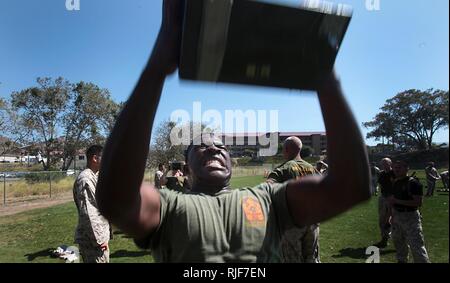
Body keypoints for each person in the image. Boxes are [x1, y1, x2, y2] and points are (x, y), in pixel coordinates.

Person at [95, 0, 370, 263]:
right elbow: (116, 200)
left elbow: (349, 188)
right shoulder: (168, 207)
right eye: (202, 145)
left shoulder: (270, 200)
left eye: (222, 147)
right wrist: (155, 69)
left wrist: (325, 78)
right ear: (187, 168)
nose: (215, 147)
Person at [267, 136, 320, 263]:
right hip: (313, 221)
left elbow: (268, 186)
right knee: (312, 258)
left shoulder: (284, 168)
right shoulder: (312, 168)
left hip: (293, 222)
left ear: (286, 149)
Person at [73, 145, 111, 263]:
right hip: (93, 242)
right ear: (95, 158)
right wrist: (99, 240)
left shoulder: (94, 176)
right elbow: (89, 213)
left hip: (97, 238)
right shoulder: (86, 179)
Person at [388, 161, 430, 263]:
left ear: (407, 168)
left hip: (410, 217)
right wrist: (391, 215)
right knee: (399, 244)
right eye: (395, 167)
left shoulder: (413, 183)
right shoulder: (396, 182)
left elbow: (417, 202)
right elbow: (393, 200)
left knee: (416, 246)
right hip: (397, 216)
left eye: (399, 167)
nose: (396, 169)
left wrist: (397, 201)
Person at [374, 157, 395, 248]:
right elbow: (381, 185)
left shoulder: (394, 173)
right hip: (383, 197)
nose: (384, 165)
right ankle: (384, 238)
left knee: (393, 220)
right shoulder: (382, 173)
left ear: (390, 164)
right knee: (382, 219)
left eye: (386, 163)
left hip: (393, 198)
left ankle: (402, 242)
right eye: (382, 164)